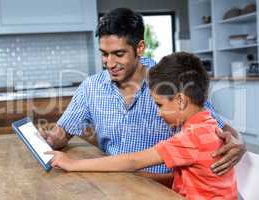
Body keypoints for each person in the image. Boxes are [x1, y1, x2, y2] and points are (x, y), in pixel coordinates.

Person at [40, 7, 245, 186]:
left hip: (166, 188)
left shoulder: (171, 80)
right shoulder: (91, 87)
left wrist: (237, 142)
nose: (109, 63)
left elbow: (220, 129)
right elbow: (62, 133)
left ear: (139, 47)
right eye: (104, 53)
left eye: (118, 54)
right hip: (113, 184)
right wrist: (51, 139)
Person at [45, 52, 238, 200]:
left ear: (180, 100)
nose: (157, 112)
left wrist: (72, 164)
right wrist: (137, 176)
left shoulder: (191, 138)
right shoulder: (208, 125)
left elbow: (133, 161)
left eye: (159, 104)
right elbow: (187, 179)